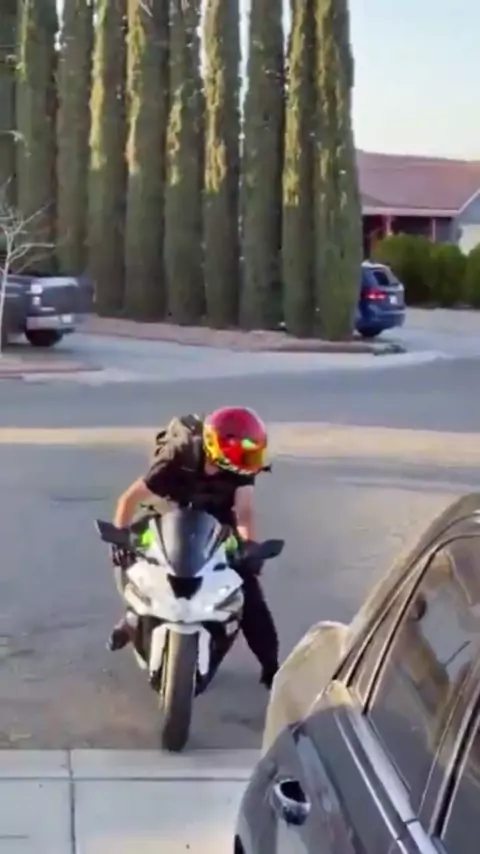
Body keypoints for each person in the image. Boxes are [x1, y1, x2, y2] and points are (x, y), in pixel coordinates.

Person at [108, 406, 280, 688]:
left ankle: (271, 668)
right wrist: (121, 536)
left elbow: (244, 511)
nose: (249, 462)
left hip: (216, 519)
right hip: (165, 513)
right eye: (244, 454)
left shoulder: (241, 467)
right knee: (132, 559)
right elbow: (128, 500)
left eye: (253, 454)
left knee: (247, 589)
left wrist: (249, 546)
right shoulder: (178, 455)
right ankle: (132, 616)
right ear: (218, 448)